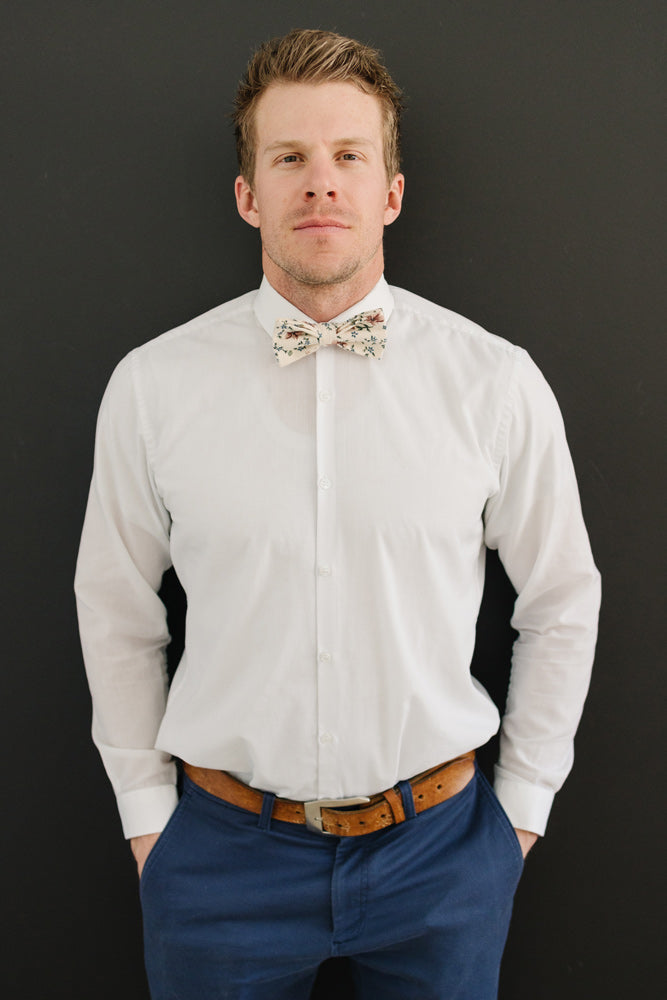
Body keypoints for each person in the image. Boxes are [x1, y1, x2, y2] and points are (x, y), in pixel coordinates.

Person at [75, 28, 601, 1000]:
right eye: (290, 158)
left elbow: (563, 595)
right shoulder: (153, 387)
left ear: (389, 192)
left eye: (348, 156)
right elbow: (113, 604)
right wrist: (148, 815)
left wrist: (519, 811)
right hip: (220, 859)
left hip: (443, 853)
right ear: (248, 195)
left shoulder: (492, 382)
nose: (321, 183)